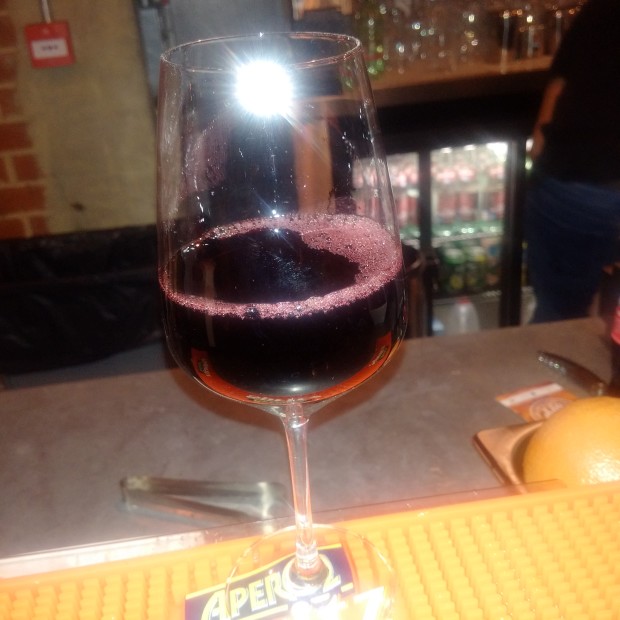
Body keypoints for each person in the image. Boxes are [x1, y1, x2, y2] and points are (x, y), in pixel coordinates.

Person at [524, 0, 620, 323]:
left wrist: (540, 145)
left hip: (576, 176)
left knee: (559, 316)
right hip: (580, 175)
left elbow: (561, 76)